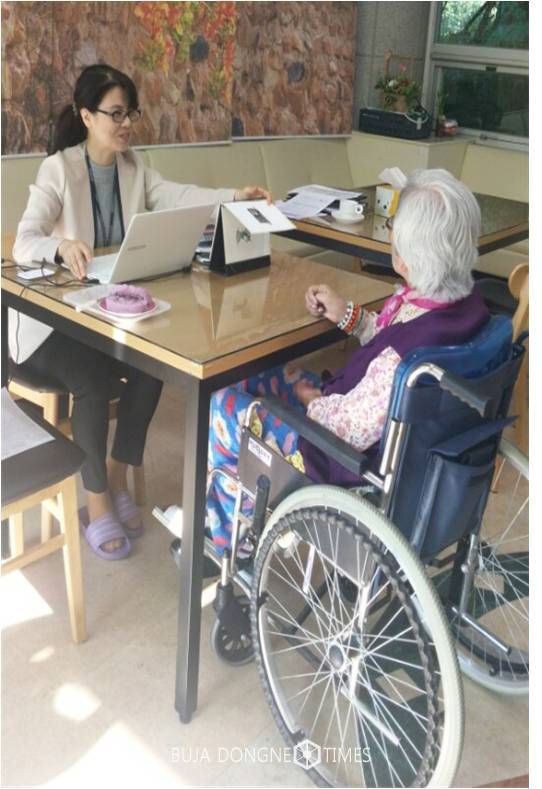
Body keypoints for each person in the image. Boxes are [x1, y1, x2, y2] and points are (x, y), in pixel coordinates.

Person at [10, 63, 271, 561]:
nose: (126, 123)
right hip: (49, 327)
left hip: (104, 316)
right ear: (87, 116)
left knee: (152, 367)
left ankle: (115, 474)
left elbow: (179, 196)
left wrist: (234, 197)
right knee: (92, 379)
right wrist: (60, 248)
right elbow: (24, 241)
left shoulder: (134, 168)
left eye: (130, 113)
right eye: (116, 113)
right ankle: (96, 500)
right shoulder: (58, 169)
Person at [205, 168, 490, 556]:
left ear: (405, 259)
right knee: (258, 378)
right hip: (385, 425)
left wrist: (311, 402)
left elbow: (350, 427)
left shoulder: (399, 359)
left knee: (224, 405)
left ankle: (228, 541)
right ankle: (238, 507)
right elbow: (390, 335)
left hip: (334, 456)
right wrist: (348, 316)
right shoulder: (459, 306)